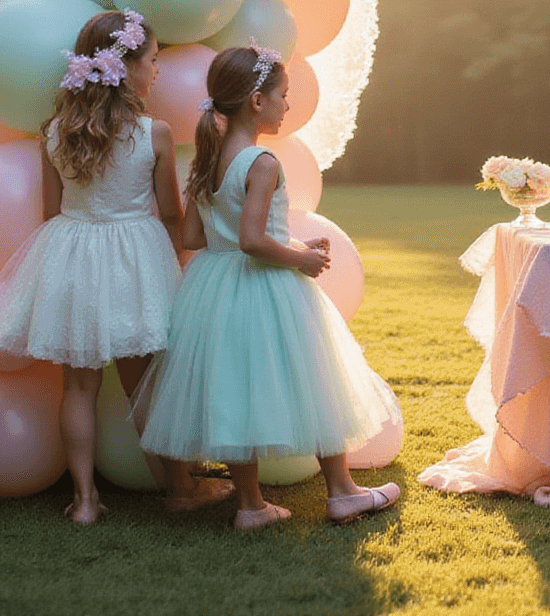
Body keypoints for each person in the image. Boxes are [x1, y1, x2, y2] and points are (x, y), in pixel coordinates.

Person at [132, 45, 402, 531]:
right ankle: (341, 492)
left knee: (236, 386)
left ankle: (251, 504)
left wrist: (290, 239)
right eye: (283, 94)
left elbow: (195, 236)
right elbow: (254, 240)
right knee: (311, 372)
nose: (287, 104)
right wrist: (299, 257)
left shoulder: (209, 159)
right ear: (256, 102)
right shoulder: (261, 161)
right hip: (263, 285)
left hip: (214, 285)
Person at [0, 9, 224, 524]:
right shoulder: (152, 132)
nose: (157, 70)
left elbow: (50, 212)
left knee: (78, 388)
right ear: (126, 66)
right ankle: (178, 486)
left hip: (70, 254)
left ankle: (84, 500)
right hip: (136, 260)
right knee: (146, 385)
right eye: (152, 60)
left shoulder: (55, 131)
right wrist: (181, 263)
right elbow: (172, 215)